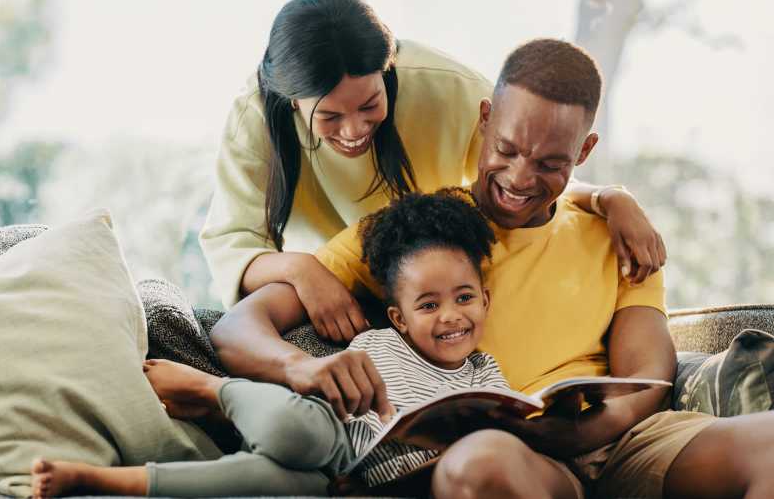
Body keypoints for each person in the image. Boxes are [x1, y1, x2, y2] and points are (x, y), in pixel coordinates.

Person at [211, 38, 774, 498]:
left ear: (583, 152)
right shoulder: (413, 230)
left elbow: (647, 373)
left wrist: (590, 427)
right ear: (485, 120)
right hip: (513, 460)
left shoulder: (617, 235)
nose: (521, 178)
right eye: (505, 149)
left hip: (622, 441)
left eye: (551, 162)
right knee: (478, 465)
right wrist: (296, 367)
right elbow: (236, 328)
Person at [199, 0, 667, 344]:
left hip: (431, 289)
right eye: (330, 118)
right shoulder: (256, 117)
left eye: (370, 105)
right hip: (333, 282)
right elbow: (233, 243)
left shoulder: (449, 89)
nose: (354, 131)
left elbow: (526, 175)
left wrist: (609, 198)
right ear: (291, 102)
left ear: (389, 68)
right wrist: (303, 270)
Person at [30, 189, 539, 497]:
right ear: (398, 318)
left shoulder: (485, 375)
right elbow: (316, 403)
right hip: (329, 440)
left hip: (345, 482)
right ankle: (216, 392)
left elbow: (492, 451)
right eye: (428, 305)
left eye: (465, 298)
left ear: (486, 302)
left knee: (259, 483)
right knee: (300, 434)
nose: (451, 317)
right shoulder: (377, 345)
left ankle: (96, 481)